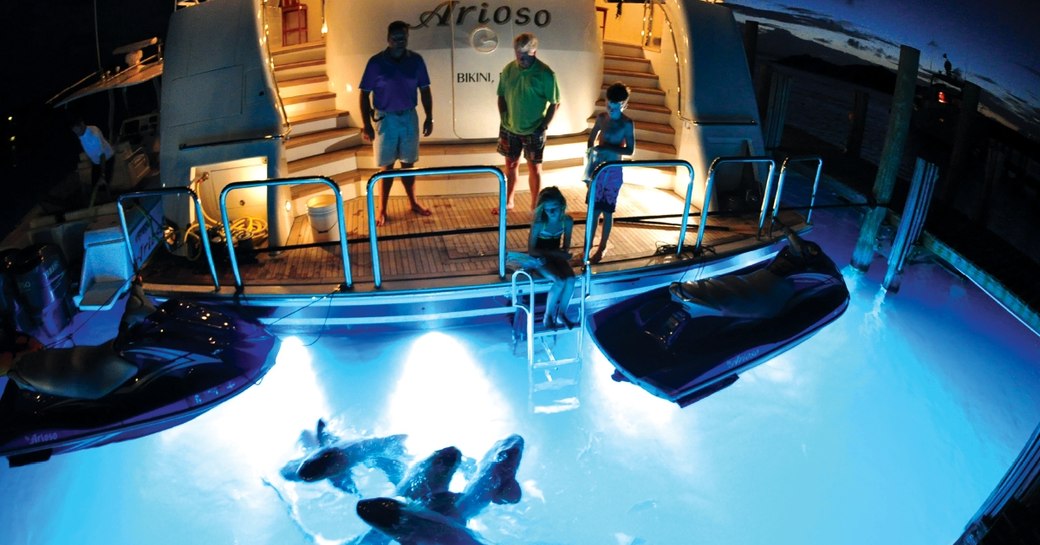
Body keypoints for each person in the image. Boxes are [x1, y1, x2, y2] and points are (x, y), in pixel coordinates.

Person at [359, 20, 434, 227]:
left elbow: (425, 90)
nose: (400, 42)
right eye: (395, 38)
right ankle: (382, 208)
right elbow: (364, 95)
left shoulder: (416, 61)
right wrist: (366, 124)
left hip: (409, 116)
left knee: (409, 164)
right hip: (386, 118)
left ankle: (413, 202)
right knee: (387, 167)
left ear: (407, 38)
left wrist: (429, 116)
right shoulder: (375, 63)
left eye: (403, 38)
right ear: (388, 39)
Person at [496, 32, 560, 214]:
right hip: (510, 126)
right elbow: (501, 95)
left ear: (534, 53)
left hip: (534, 128)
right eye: (518, 56)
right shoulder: (509, 69)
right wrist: (503, 116)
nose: (521, 60)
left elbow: (555, 102)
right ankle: (508, 201)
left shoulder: (545, 74)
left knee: (534, 167)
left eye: (525, 56)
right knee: (510, 164)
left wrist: (544, 125)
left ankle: (534, 204)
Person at [584, 82, 635, 264]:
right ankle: (587, 247)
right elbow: (591, 140)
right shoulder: (601, 118)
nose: (611, 109)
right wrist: (591, 160)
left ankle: (602, 247)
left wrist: (607, 149)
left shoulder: (627, 124)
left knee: (607, 211)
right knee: (593, 211)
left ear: (624, 104)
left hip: (613, 172)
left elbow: (630, 150)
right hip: (598, 170)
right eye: (609, 105)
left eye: (615, 106)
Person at [528, 186, 576, 330]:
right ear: (543, 209)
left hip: (555, 256)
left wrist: (565, 254)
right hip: (539, 258)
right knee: (559, 281)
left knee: (571, 279)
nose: (552, 212)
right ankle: (547, 316)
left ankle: (561, 313)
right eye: (548, 210)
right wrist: (557, 254)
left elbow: (565, 245)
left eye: (554, 208)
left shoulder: (567, 221)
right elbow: (531, 250)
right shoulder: (539, 225)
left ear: (562, 206)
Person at [70, 116, 114, 201]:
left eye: (77, 131)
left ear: (82, 125)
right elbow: (89, 149)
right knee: (95, 186)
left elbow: (102, 155)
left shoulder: (93, 136)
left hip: (106, 160)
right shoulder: (82, 133)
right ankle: (101, 203)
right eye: (75, 133)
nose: (77, 135)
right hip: (96, 162)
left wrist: (102, 174)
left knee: (103, 185)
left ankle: (109, 202)